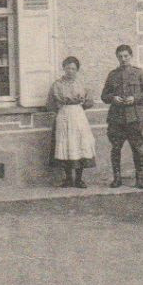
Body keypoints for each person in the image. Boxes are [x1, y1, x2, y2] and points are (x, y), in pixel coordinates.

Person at [101, 44, 143, 189]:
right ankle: (117, 178)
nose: (123, 59)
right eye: (120, 56)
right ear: (117, 57)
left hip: (134, 118)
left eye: (126, 56)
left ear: (131, 56)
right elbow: (104, 96)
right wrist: (113, 98)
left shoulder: (139, 73)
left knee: (137, 148)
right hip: (116, 118)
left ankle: (140, 178)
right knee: (116, 148)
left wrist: (135, 98)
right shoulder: (112, 75)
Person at [48, 56, 96, 188]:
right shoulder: (57, 85)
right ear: (63, 68)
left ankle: (79, 179)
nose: (70, 71)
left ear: (77, 70)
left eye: (73, 68)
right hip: (63, 116)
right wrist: (62, 108)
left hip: (78, 115)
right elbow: (50, 103)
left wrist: (78, 107)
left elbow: (89, 101)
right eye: (68, 68)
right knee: (66, 145)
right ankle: (68, 178)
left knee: (79, 144)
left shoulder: (82, 84)